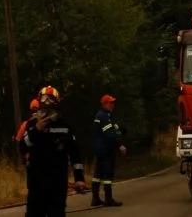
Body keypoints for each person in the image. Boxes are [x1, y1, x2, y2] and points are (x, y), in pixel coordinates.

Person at [20, 85, 87, 217]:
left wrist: (79, 178)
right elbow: (22, 146)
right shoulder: (32, 124)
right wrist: (36, 130)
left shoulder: (64, 125)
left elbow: (75, 153)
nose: (46, 111)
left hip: (58, 181)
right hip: (36, 182)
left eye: (50, 105)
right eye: (44, 106)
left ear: (56, 105)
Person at [91, 94, 127, 207]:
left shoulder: (106, 115)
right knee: (107, 173)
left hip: (100, 148)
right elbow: (110, 134)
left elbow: (115, 130)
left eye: (113, 103)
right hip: (105, 149)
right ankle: (108, 199)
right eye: (110, 103)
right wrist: (120, 145)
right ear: (104, 104)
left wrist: (120, 131)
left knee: (98, 173)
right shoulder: (103, 116)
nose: (113, 105)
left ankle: (95, 199)